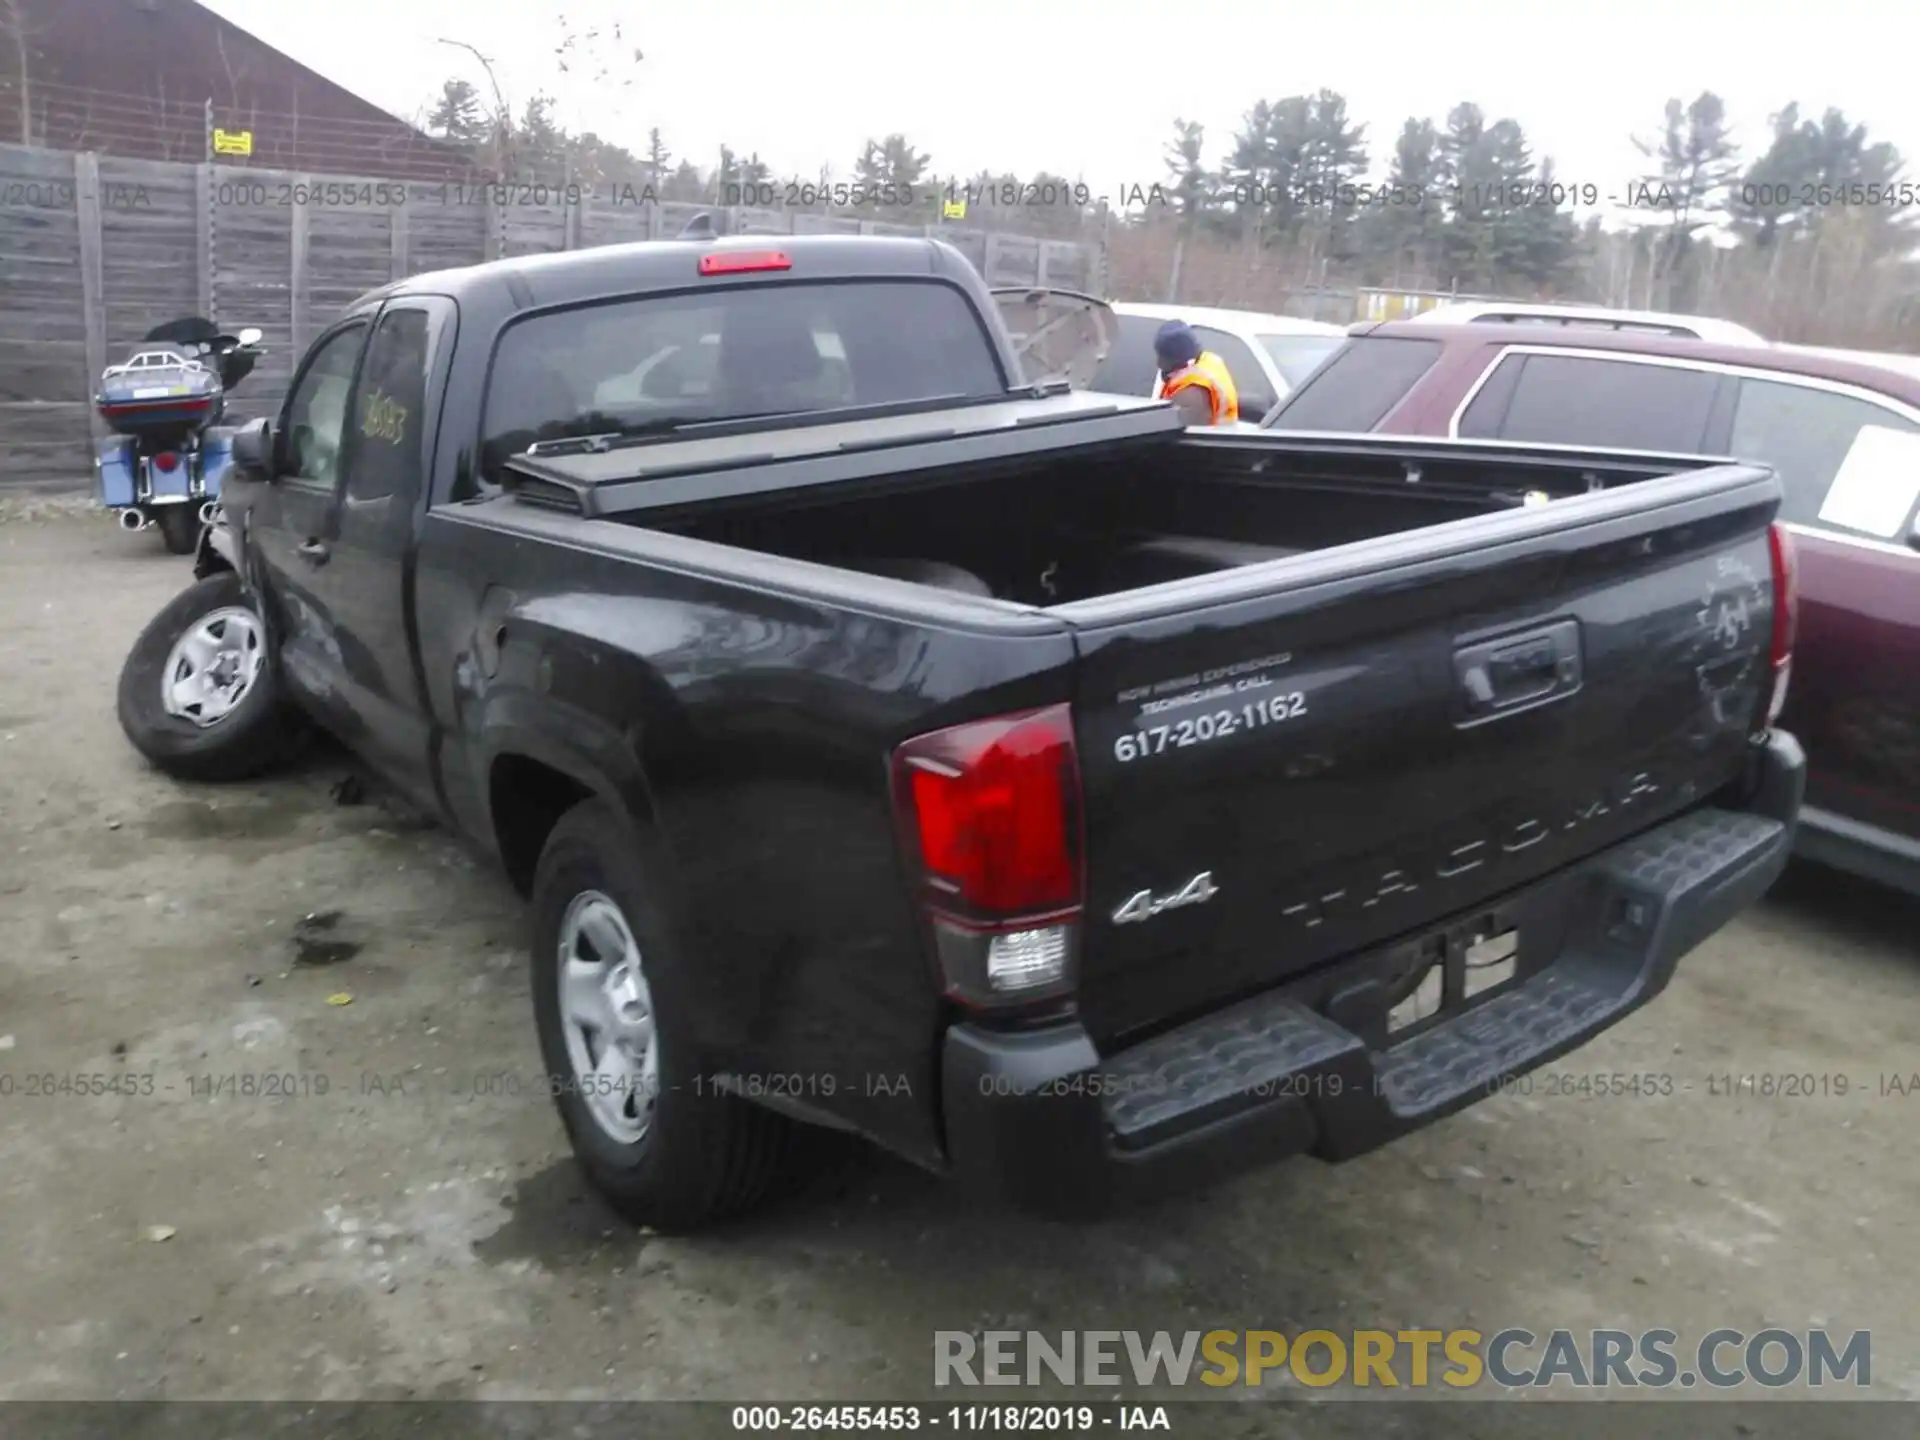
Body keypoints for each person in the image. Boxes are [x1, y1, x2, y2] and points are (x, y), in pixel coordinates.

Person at [1151, 320, 1239, 426]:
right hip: (1224, 438)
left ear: (1176, 360)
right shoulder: (1209, 362)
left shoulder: (1190, 390)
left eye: (1163, 358)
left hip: (1209, 440)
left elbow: (1178, 435)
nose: (1159, 363)